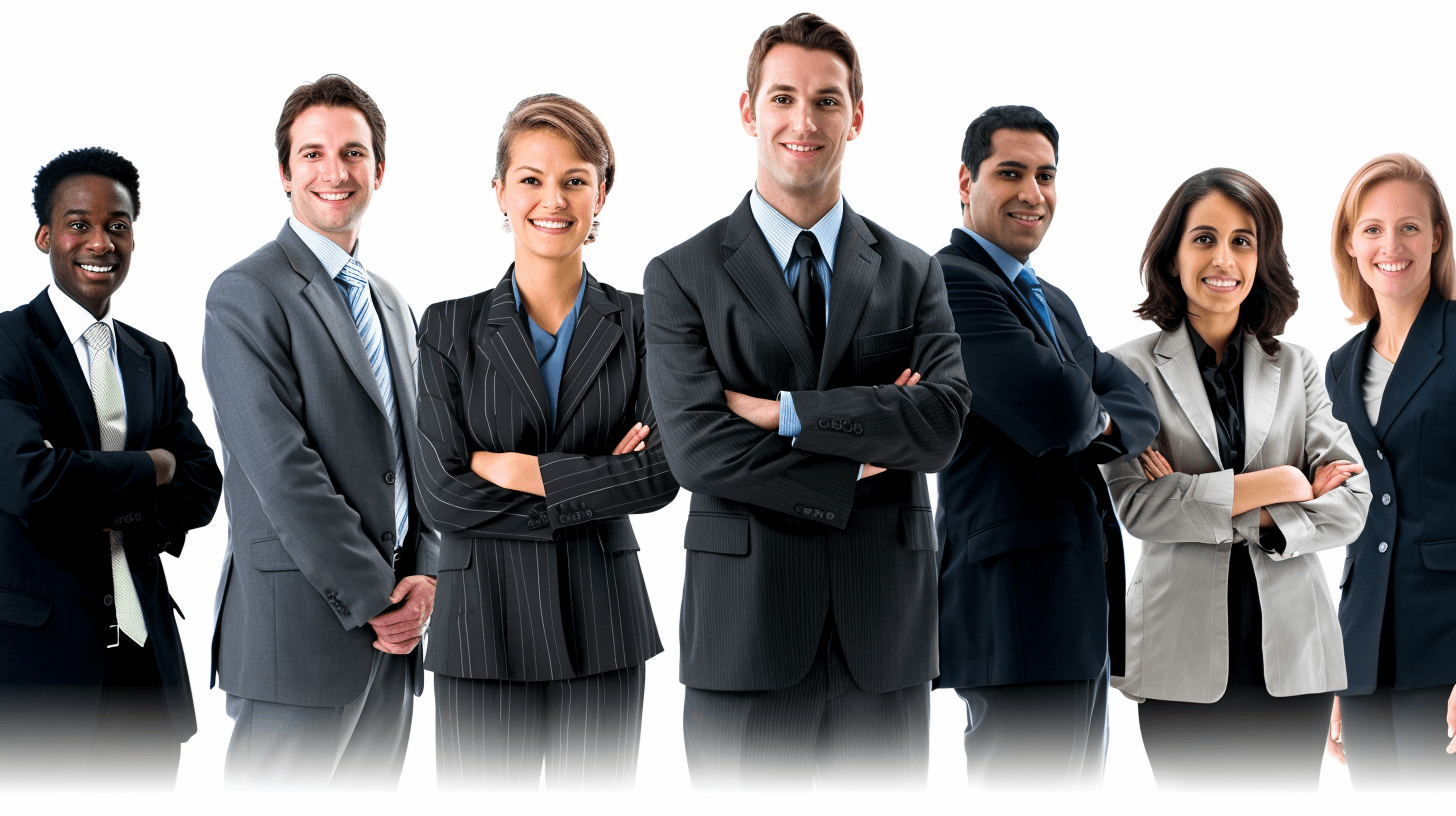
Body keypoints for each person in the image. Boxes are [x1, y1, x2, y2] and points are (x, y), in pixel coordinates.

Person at [643, 13, 971, 789]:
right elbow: (698, 450)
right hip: (745, 631)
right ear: (749, 110)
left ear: (856, 117)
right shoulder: (681, 275)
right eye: (783, 97)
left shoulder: (913, 271)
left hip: (883, 631)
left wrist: (787, 413)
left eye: (827, 101)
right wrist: (859, 460)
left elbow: (943, 424)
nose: (803, 120)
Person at [415, 93, 678, 789]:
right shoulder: (448, 329)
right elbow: (442, 495)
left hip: (604, 624)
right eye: (530, 178)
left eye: (574, 178)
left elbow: (658, 477)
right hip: (482, 628)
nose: (551, 198)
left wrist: (509, 467)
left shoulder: (647, 324)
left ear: (602, 192)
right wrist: (594, 480)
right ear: (499, 191)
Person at [1100, 168, 1369, 789]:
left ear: (1262, 256)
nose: (1224, 258)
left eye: (1243, 240)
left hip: (1295, 654)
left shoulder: (1298, 365)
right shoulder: (1126, 368)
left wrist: (1210, 504)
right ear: (1171, 255)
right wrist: (1288, 481)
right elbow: (1139, 507)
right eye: (1204, 238)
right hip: (1178, 656)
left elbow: (1353, 501)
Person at [202, 74, 435, 787]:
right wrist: (377, 598)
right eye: (312, 154)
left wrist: (425, 571)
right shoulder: (246, 294)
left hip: (395, 642)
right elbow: (281, 468)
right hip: (299, 638)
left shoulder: (392, 302)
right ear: (284, 171)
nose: (334, 172)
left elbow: (419, 454)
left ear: (379, 170)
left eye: (353, 153)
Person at [933, 105, 1159, 789]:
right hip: (1013, 608)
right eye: (1011, 173)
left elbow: (1138, 402)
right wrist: (1093, 414)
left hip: (1074, 604)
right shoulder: (949, 284)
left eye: (1046, 175)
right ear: (965, 182)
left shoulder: (1049, 299)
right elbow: (1062, 413)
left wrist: (1097, 415)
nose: (1033, 193)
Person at [0, 147, 222, 787]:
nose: (100, 241)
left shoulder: (153, 357)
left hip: (145, 667)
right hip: (40, 677)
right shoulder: (8, 347)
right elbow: (30, 484)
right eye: (79, 224)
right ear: (45, 235)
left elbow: (203, 486)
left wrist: (93, 486)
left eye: (118, 225)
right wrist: (152, 465)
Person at [1324, 153, 1456, 788]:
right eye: (1372, 228)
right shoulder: (1339, 367)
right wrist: (1338, 670)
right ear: (1351, 244)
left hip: (1445, 645)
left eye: (1409, 226)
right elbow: (1354, 523)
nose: (1391, 245)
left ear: (1437, 237)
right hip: (1365, 653)